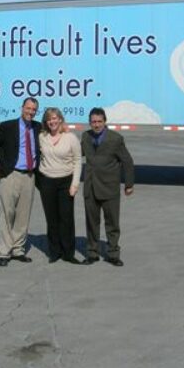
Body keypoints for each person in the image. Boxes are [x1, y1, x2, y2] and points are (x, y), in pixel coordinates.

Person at [0, 97, 41, 267]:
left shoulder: (37, 127)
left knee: (23, 215)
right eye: (28, 108)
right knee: (8, 214)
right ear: (22, 108)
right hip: (10, 175)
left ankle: (18, 250)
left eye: (34, 109)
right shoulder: (8, 127)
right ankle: (4, 252)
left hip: (29, 176)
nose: (30, 112)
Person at [80, 107, 135, 266]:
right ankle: (92, 253)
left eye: (99, 121)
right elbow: (77, 153)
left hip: (109, 188)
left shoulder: (115, 139)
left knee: (112, 223)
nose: (96, 125)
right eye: (93, 122)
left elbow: (128, 162)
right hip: (90, 187)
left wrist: (129, 184)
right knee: (91, 223)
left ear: (105, 122)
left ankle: (113, 254)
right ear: (89, 123)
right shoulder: (86, 136)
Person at [37, 108, 83, 264]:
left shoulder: (70, 138)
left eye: (55, 118)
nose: (52, 121)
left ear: (60, 120)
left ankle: (68, 253)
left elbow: (77, 161)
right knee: (51, 219)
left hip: (66, 182)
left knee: (66, 219)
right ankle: (54, 252)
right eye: (49, 119)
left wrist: (75, 184)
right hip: (47, 181)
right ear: (46, 122)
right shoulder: (42, 137)